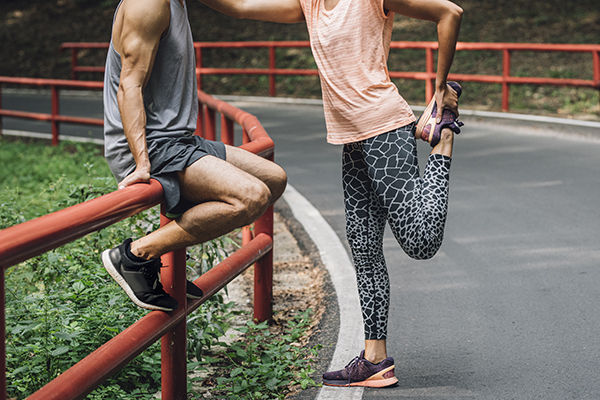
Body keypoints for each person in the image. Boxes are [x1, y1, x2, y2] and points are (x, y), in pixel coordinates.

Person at [197, 0, 463, 388]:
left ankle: (445, 138)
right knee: (364, 251)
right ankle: (374, 359)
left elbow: (449, 13)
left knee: (420, 242)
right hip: (353, 141)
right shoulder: (311, 4)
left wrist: (439, 88)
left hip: (385, 129)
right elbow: (239, 6)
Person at [101, 0, 287, 313]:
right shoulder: (148, 4)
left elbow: (240, 5)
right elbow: (129, 84)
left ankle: (169, 245)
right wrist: (142, 161)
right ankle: (136, 255)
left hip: (180, 140)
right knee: (250, 197)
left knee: (273, 179)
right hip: (153, 143)